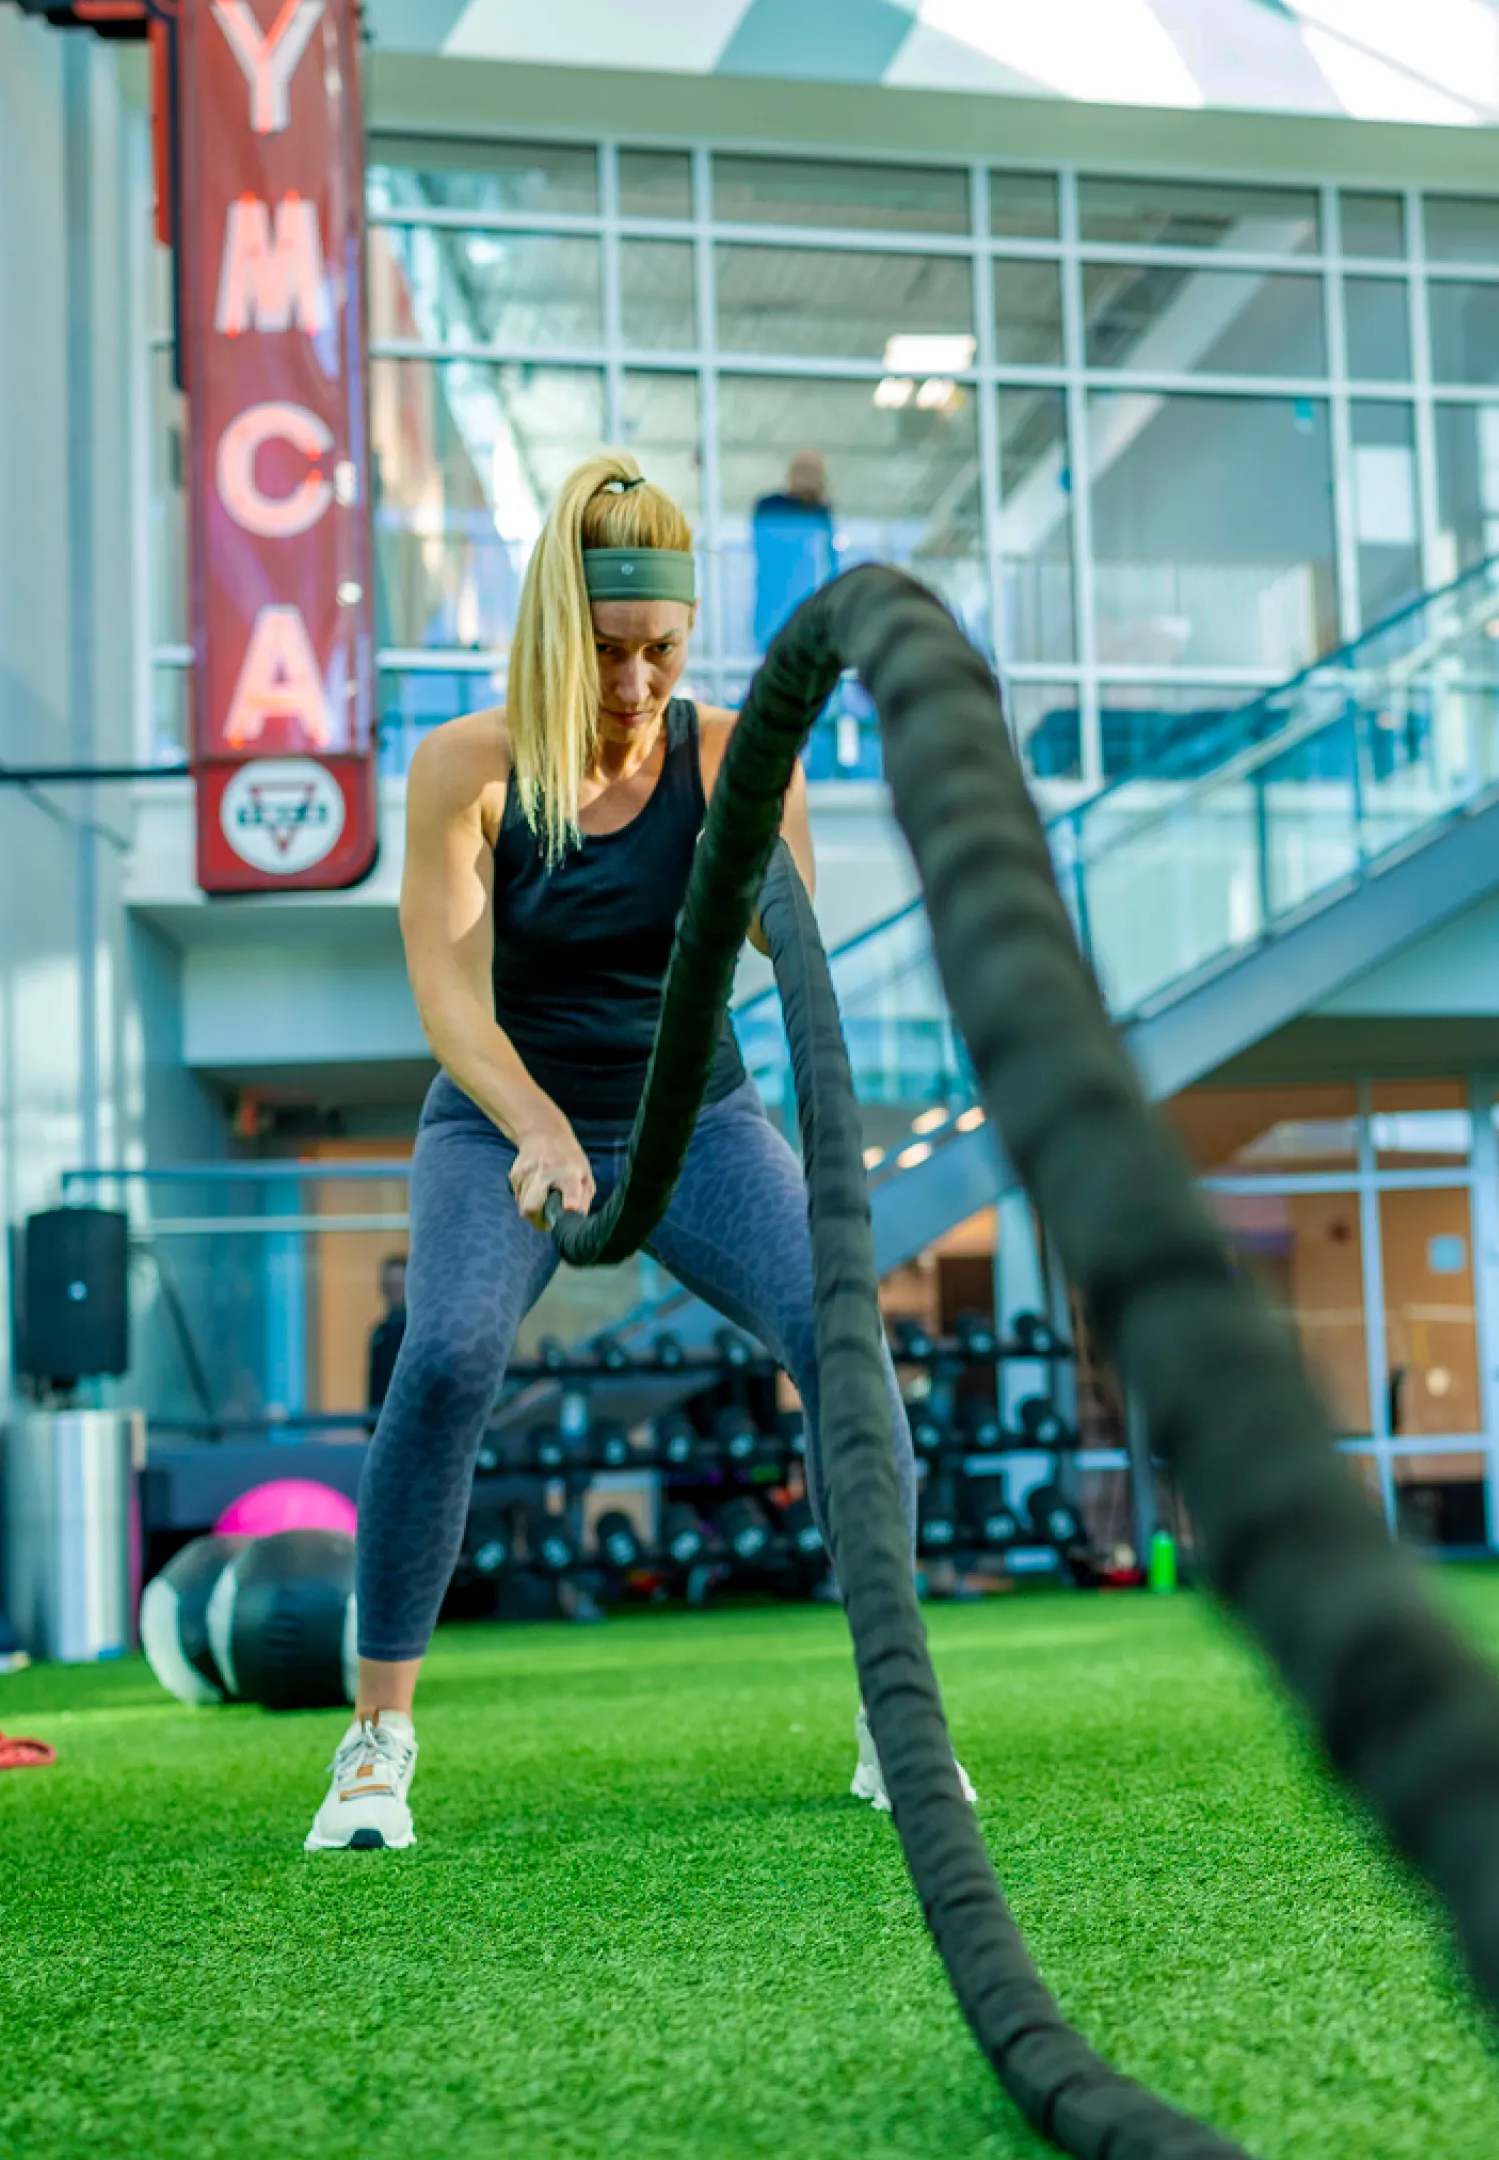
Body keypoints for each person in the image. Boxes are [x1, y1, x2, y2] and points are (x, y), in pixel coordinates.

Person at [311, 449, 955, 1852]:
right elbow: (446, 995)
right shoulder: (466, 769)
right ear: (558, 628)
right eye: (613, 651)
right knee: (450, 1353)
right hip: (501, 1112)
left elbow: (774, 937)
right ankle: (376, 1737)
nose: (639, 682)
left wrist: (763, 877)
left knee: (842, 1337)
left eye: (665, 650)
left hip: (697, 1112)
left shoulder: (732, 756)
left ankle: (895, 1713)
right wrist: (537, 1122)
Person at [750, 448, 838, 653]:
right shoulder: (770, 506)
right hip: (776, 603)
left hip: (807, 602)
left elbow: (829, 562)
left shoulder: (821, 513)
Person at [364, 1253, 407, 1415]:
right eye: (389, 1284)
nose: (393, 1291)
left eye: (399, 1285)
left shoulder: (417, 1334)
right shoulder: (379, 1332)